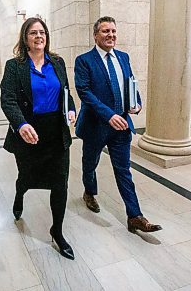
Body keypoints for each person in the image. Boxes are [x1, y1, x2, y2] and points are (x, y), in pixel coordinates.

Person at [74, 16, 162, 233]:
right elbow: (85, 92)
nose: (110, 35)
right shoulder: (84, 60)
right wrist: (108, 115)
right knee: (89, 164)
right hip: (95, 125)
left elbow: (131, 83)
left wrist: (137, 104)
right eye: (105, 31)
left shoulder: (123, 57)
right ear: (95, 35)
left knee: (124, 170)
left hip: (121, 125)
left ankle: (135, 216)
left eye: (113, 31)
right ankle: (89, 192)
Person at [0, 17, 77, 260]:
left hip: (56, 133)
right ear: (25, 38)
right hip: (29, 133)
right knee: (27, 177)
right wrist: (20, 123)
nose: (39, 36)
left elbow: (65, 92)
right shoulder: (15, 66)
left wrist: (71, 108)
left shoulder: (57, 62)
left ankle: (57, 230)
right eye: (33, 33)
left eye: (42, 32)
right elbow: (8, 99)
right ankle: (19, 193)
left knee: (60, 182)